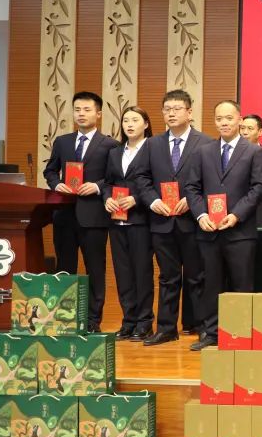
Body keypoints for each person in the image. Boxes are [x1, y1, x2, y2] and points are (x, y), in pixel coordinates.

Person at [182, 101, 262, 351]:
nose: (224, 123)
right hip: (209, 230)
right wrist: (200, 215)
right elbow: (192, 188)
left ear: (239, 119)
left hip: (240, 230)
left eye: (229, 118)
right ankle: (211, 332)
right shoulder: (203, 152)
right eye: (219, 119)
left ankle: (241, 333)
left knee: (242, 284)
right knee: (211, 284)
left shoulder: (253, 152)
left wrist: (237, 214)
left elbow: (258, 188)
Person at [138, 89, 213, 345]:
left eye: (177, 109)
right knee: (167, 277)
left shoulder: (205, 143)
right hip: (162, 221)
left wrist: (193, 202)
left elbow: (212, 181)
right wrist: (153, 201)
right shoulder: (152, 144)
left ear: (189, 112)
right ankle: (166, 328)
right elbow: (141, 178)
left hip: (192, 222)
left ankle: (204, 328)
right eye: (167, 109)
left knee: (197, 277)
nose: (171, 113)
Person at [43, 91, 120, 333]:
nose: (81, 114)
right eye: (77, 110)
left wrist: (97, 186)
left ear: (98, 114)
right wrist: (56, 184)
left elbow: (116, 178)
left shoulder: (110, 145)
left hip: (94, 217)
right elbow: (50, 171)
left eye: (87, 110)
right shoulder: (62, 142)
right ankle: (64, 318)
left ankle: (92, 321)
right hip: (64, 215)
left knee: (95, 269)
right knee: (65, 268)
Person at [102, 107, 155, 342]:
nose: (129, 124)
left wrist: (137, 198)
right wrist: (107, 199)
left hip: (141, 220)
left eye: (135, 120)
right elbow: (107, 182)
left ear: (146, 124)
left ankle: (144, 323)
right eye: (126, 120)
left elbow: (158, 183)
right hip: (117, 220)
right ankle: (128, 321)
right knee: (123, 273)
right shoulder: (115, 152)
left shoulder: (153, 149)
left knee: (142, 272)